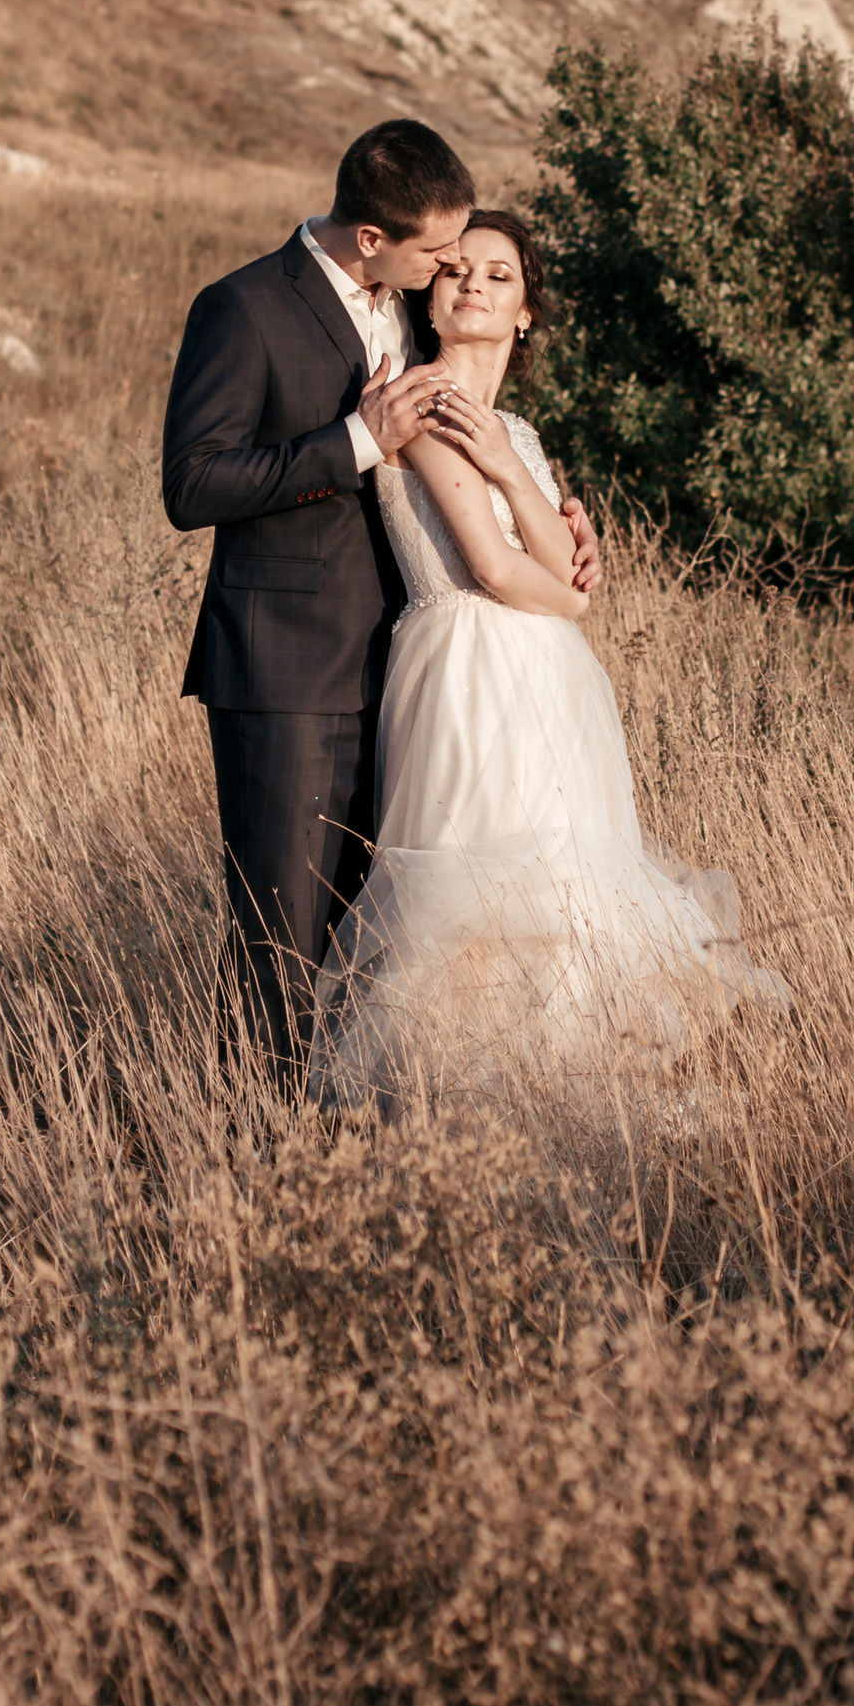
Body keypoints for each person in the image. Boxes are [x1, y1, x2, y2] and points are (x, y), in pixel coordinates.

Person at [162, 122, 602, 1087]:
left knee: (389, 945)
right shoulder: (241, 307)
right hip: (289, 669)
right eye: (438, 254)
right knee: (281, 942)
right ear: (372, 238)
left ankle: (363, 1143)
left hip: (416, 681)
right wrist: (353, 441)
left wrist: (562, 523)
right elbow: (191, 487)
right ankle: (256, 1149)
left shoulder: (413, 310)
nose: (454, 269)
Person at [312, 205, 779, 1105]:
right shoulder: (421, 404)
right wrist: (566, 592)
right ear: (431, 296)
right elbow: (500, 571)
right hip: (467, 674)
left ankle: (571, 1103)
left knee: (569, 887)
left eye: (499, 276)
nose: (474, 286)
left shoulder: (512, 430)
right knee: (479, 892)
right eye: (457, 272)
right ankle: (466, 1104)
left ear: (525, 311)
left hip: (549, 681)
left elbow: (561, 563)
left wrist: (524, 486)